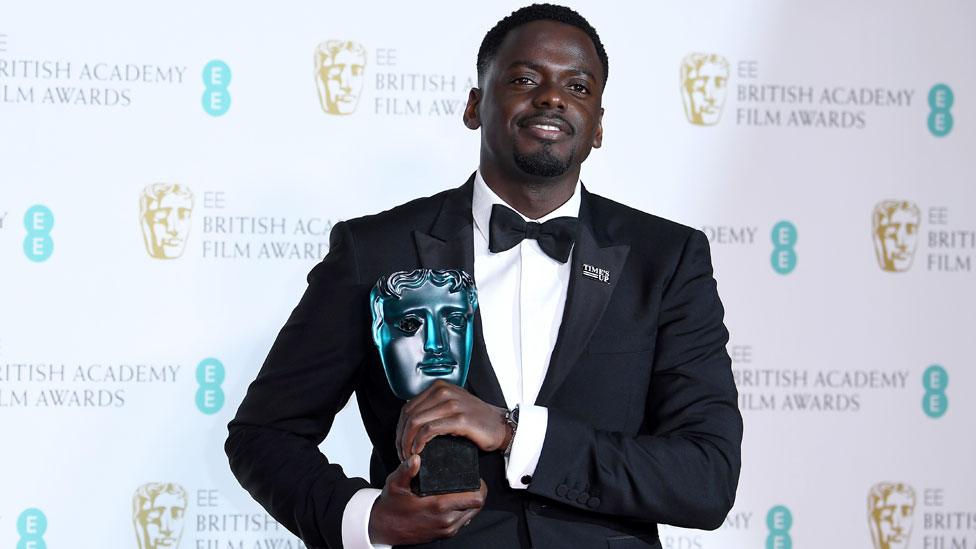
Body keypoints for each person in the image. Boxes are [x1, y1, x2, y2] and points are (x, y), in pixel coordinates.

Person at [226, 4, 742, 548]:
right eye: (524, 78)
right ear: (474, 105)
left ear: (598, 128)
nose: (552, 97)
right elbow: (265, 435)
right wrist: (366, 517)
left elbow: (706, 476)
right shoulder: (375, 249)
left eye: (579, 86)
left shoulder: (666, 259)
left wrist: (516, 433)